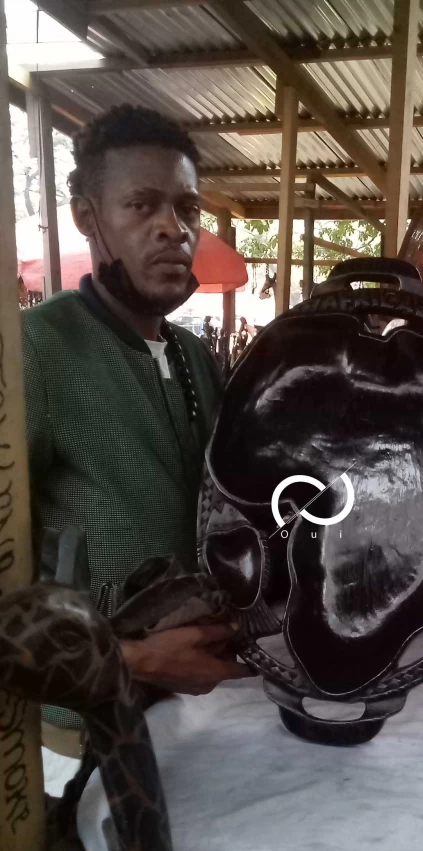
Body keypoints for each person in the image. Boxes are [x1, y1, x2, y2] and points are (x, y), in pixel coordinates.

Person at [22, 104, 248, 751]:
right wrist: (138, 659)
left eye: (187, 208)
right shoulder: (35, 350)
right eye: (142, 206)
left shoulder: (194, 355)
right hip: (86, 725)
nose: (173, 228)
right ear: (87, 218)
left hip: (201, 707)